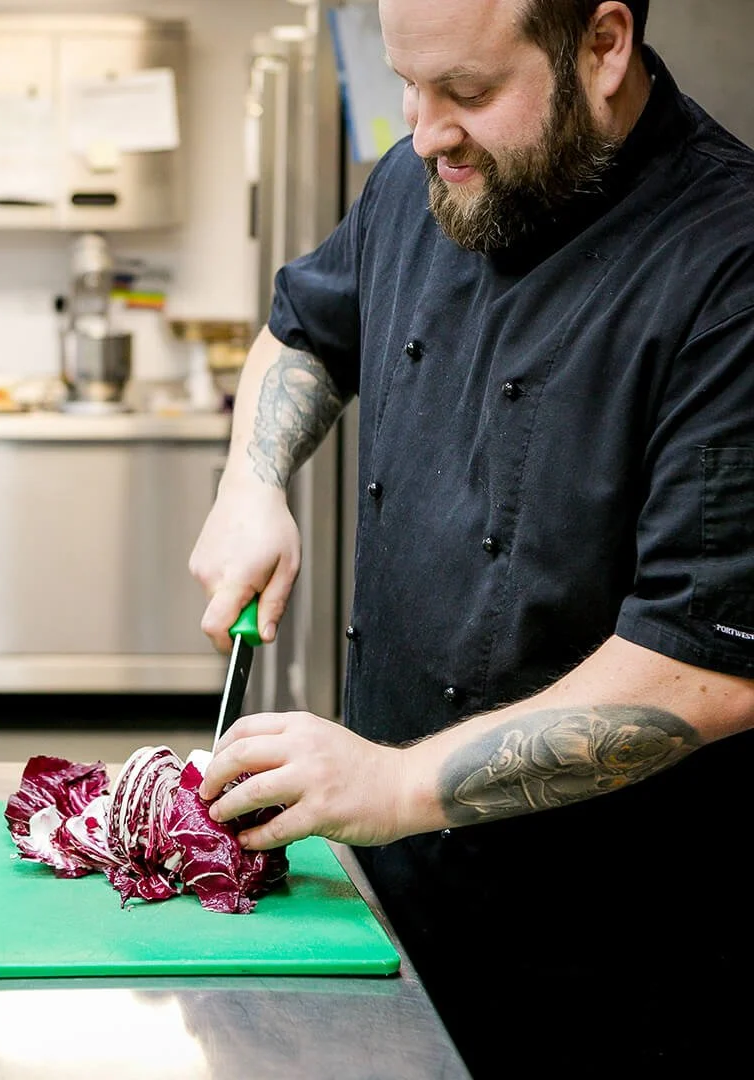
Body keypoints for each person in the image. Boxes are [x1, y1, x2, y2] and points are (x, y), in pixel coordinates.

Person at [188, 0, 754, 1075]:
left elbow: (709, 670)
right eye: (408, 84)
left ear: (603, 45)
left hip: (610, 964)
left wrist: (396, 786)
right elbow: (304, 332)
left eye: (468, 92)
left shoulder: (730, 266)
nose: (425, 129)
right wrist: (252, 481)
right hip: (386, 906)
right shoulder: (422, 178)